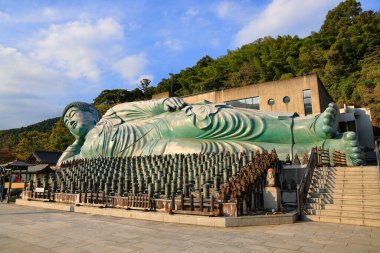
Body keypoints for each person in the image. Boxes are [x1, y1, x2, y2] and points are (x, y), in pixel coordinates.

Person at [57, 97, 362, 166]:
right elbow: (62, 166)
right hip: (153, 152)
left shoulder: (112, 115)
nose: (72, 123)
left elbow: (147, 107)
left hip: (161, 124)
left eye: (74, 116)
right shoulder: (80, 150)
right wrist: (76, 141)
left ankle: (306, 127)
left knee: (220, 120)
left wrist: (165, 103)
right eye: (68, 124)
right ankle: (317, 152)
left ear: (92, 111)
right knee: (218, 152)